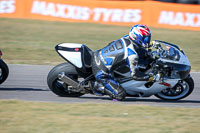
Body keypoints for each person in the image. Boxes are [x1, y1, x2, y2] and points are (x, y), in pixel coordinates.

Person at [91, 24, 155, 101]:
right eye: (145, 38)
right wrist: (150, 77)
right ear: (136, 36)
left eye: (148, 38)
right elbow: (136, 76)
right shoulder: (132, 55)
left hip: (97, 54)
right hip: (101, 71)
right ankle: (97, 86)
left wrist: (151, 45)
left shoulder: (127, 38)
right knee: (120, 95)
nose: (147, 41)